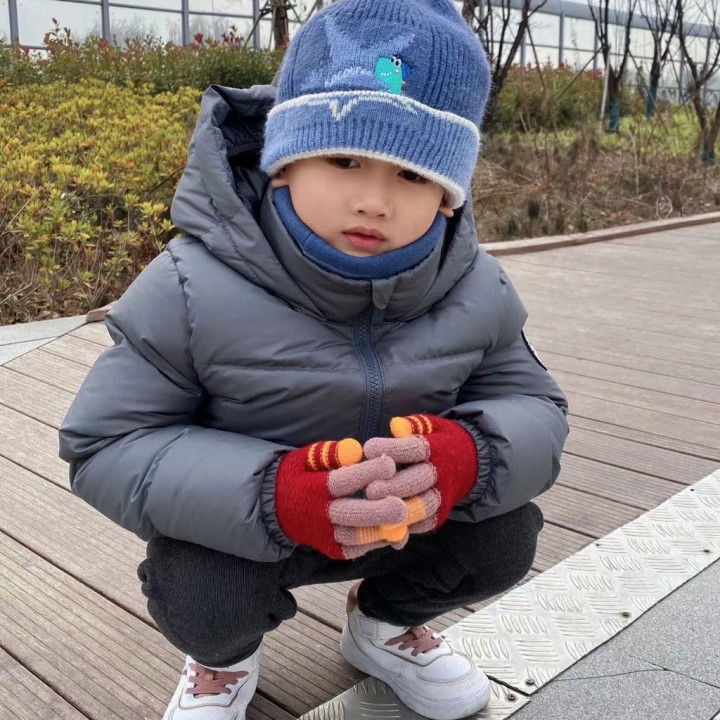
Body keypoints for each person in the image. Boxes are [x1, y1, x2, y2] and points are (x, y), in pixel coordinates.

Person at [58, 0, 569, 718]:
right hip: (254, 531)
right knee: (202, 590)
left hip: (407, 518)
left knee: (505, 536)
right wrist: (274, 496)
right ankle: (222, 662)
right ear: (284, 163)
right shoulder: (188, 285)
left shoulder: (478, 287)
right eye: (344, 159)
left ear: (449, 199)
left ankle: (384, 626)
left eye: (413, 173)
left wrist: (470, 458)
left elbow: (536, 404)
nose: (374, 200)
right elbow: (105, 442)